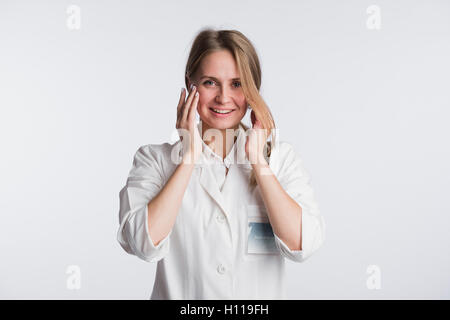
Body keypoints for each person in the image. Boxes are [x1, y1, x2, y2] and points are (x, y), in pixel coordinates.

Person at [117, 28, 325, 300]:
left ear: (252, 90)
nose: (223, 97)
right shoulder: (154, 160)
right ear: (190, 83)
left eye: (237, 84)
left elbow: (302, 245)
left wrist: (260, 165)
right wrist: (188, 158)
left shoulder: (280, 161)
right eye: (210, 83)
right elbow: (144, 244)